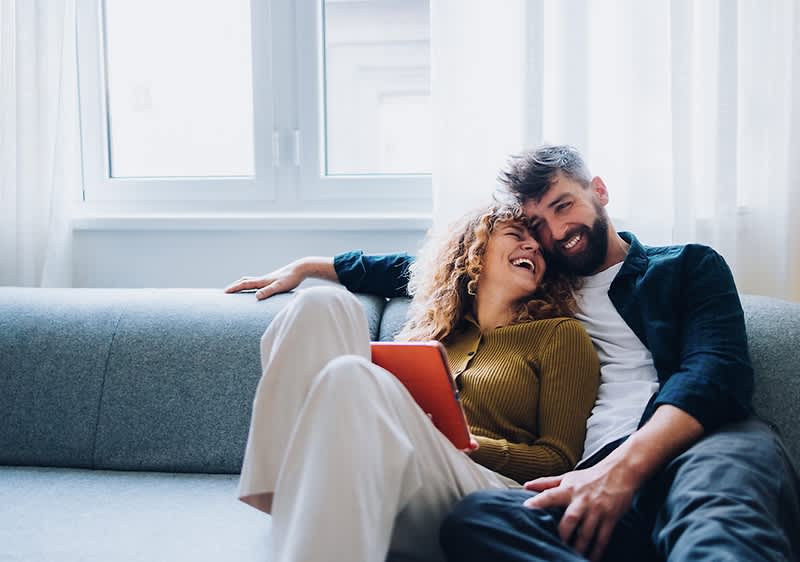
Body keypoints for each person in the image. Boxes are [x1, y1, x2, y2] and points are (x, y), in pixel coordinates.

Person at [239, 145, 800, 562]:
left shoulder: (685, 266)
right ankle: (282, 492)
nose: (556, 232)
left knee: (718, 512)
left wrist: (622, 470)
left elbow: (715, 372)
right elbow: (437, 264)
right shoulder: (543, 278)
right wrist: (316, 267)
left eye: (564, 206)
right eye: (535, 225)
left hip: (693, 441)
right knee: (477, 520)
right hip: (579, 477)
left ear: (598, 192)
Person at [226, 202, 600, 562]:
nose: (533, 245)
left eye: (538, 245)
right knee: (322, 304)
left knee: (351, 376)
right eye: (516, 234)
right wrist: (308, 267)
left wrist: (464, 444)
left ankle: (300, 500)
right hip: (397, 478)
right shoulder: (428, 336)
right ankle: (282, 492)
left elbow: (558, 461)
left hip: (486, 494)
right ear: (473, 251)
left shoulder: (559, 335)